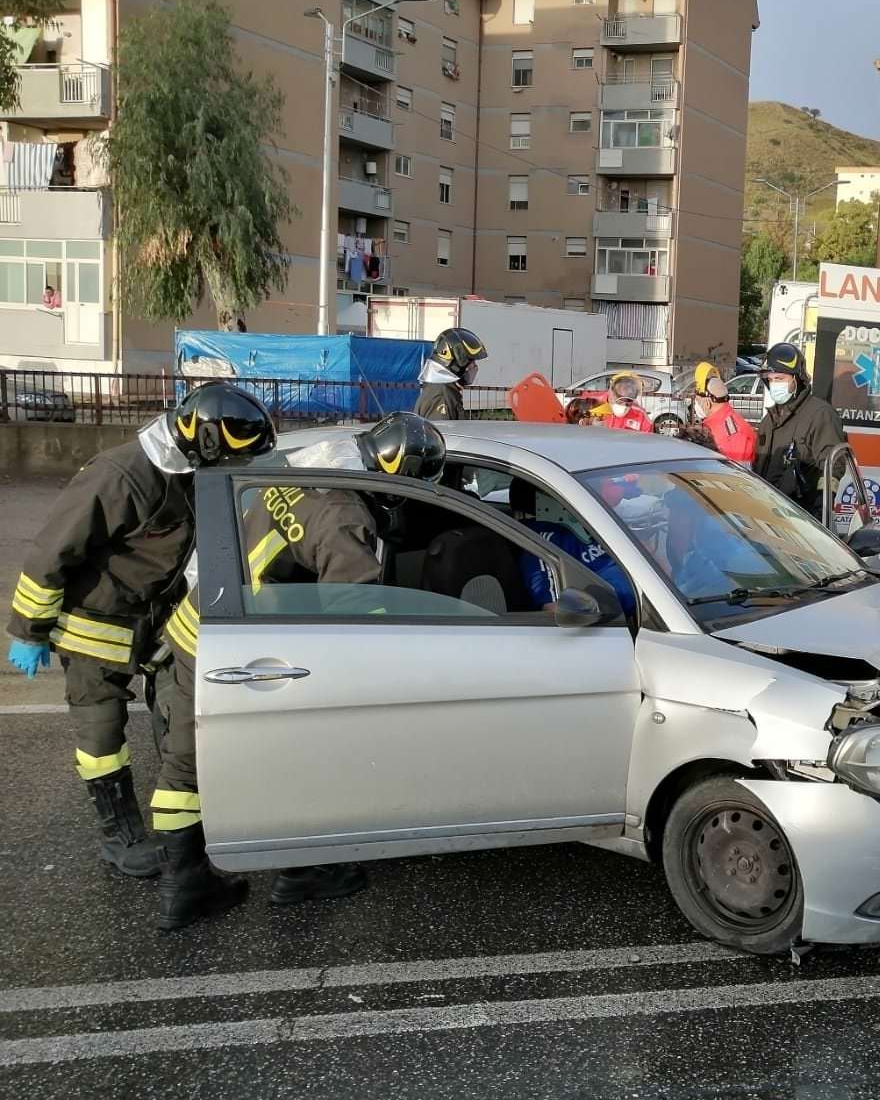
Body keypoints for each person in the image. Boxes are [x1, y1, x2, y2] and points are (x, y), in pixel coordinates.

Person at [154, 412, 446, 931]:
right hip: (254, 645)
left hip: (202, 625)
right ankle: (305, 870)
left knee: (184, 765)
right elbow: (356, 607)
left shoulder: (308, 475)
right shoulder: (343, 517)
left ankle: (185, 884)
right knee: (308, 751)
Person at [5, 383, 275, 878]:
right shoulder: (120, 475)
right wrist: (28, 629)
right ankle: (119, 837)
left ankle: (183, 822)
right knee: (101, 735)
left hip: (154, 623)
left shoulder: (192, 472)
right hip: (95, 626)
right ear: (207, 439)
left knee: (180, 713)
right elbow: (51, 553)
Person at [509, 479, 637, 620]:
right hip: (618, 620)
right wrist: (602, 603)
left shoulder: (582, 525)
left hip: (647, 601)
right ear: (547, 498)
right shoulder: (540, 542)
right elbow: (555, 608)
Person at [753, 342, 847, 514]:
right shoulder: (769, 420)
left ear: (798, 379)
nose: (774, 384)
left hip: (800, 520)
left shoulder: (820, 415)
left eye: (780, 378)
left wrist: (821, 510)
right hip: (767, 515)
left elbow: (833, 467)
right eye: (771, 379)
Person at [415, 327, 488, 421]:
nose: (475, 367)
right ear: (457, 365)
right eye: (472, 362)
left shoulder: (444, 391)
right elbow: (444, 434)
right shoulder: (441, 397)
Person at [694, 373, 756, 466]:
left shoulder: (731, 433)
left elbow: (734, 474)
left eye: (698, 401)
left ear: (707, 403)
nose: (696, 405)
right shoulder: (723, 421)